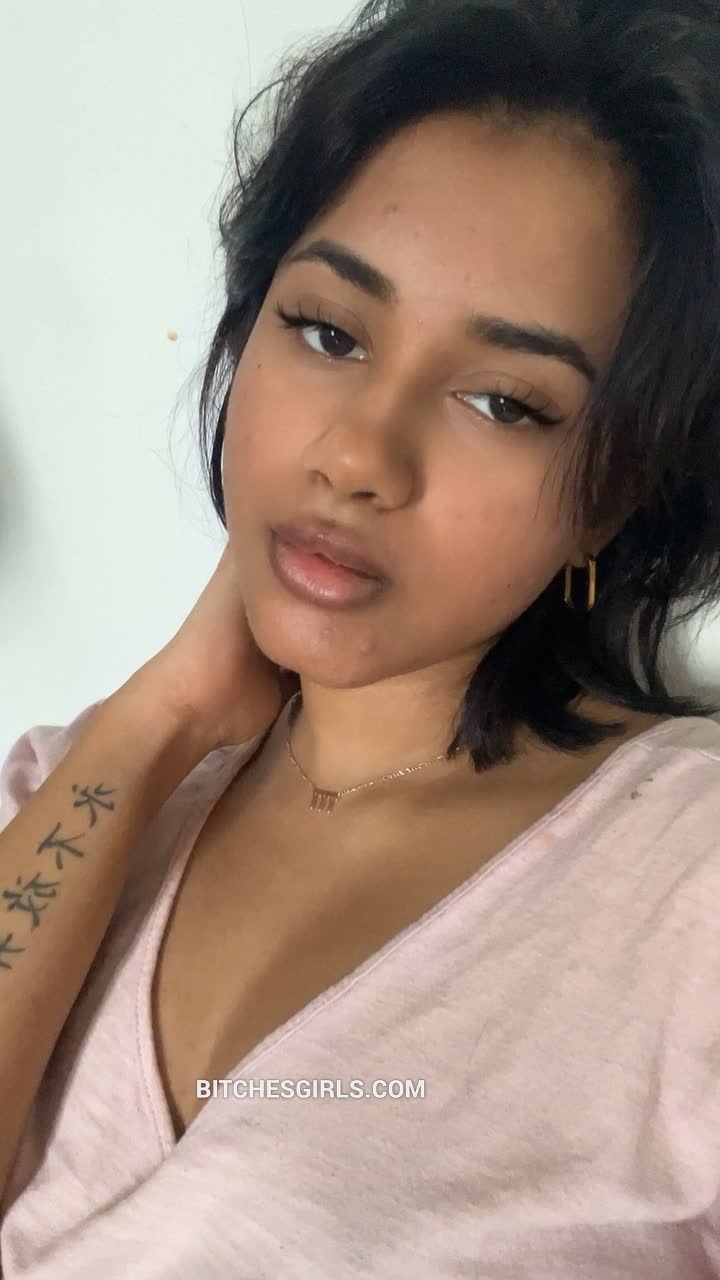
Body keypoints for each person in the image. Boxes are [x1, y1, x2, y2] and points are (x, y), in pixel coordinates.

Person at [2, 0, 720, 1273]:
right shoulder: (79, 789)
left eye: (505, 401)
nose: (359, 455)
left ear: (616, 490)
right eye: (328, 331)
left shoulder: (685, 888)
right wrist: (160, 715)